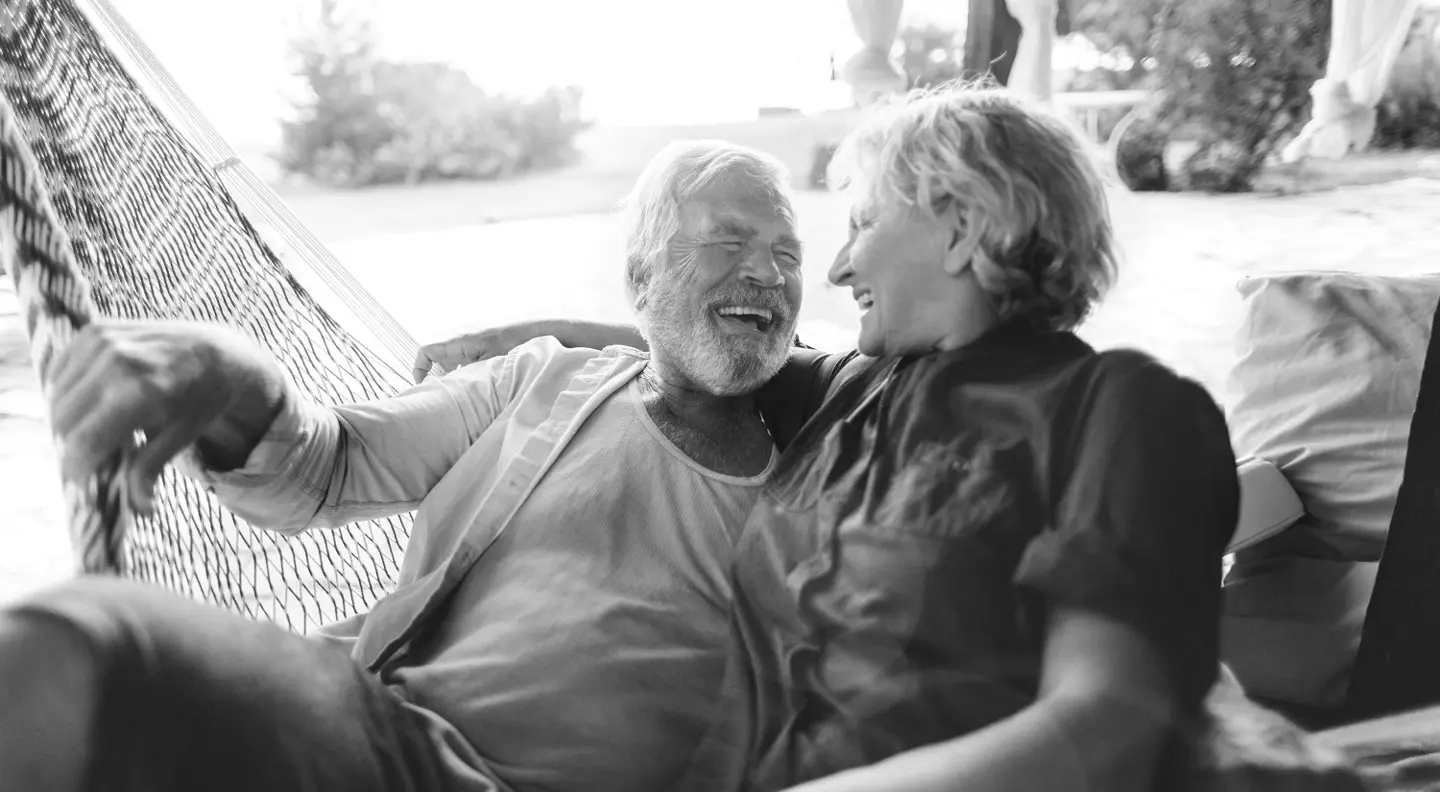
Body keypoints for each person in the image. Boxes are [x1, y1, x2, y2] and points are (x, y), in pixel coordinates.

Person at [420, 88, 1243, 791]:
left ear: (960, 228)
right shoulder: (851, 393)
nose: (840, 269)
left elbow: (1114, 717)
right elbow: (689, 339)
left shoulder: (1119, 409)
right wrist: (510, 337)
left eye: (862, 225)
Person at [0, 140, 806, 792]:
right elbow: (324, 466)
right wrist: (235, 377)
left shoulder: (838, 469)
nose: (767, 274)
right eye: (729, 242)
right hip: (377, 738)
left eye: (786, 255)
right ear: (640, 276)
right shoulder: (541, 380)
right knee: (70, 654)